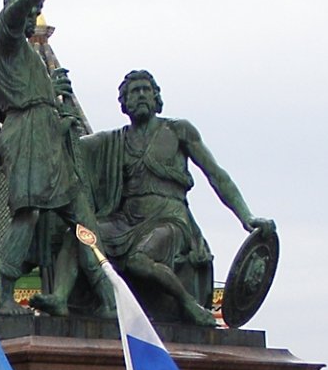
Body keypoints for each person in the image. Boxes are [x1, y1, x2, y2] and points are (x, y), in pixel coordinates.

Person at [77, 69, 272, 325]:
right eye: (135, 92)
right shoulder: (115, 140)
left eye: (147, 89)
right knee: (83, 234)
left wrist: (246, 216)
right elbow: (72, 146)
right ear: (124, 103)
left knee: (138, 260)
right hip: (125, 220)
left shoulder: (178, 130)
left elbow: (216, 175)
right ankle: (105, 303)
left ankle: (188, 304)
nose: (142, 95)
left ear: (157, 97)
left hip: (169, 219)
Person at [0, 0, 108, 316]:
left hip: (45, 133)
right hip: (29, 131)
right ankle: (5, 295)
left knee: (81, 217)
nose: (34, 13)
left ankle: (105, 294)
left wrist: (58, 106)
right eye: (28, 9)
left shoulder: (26, 56)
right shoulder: (4, 37)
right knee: (30, 213)